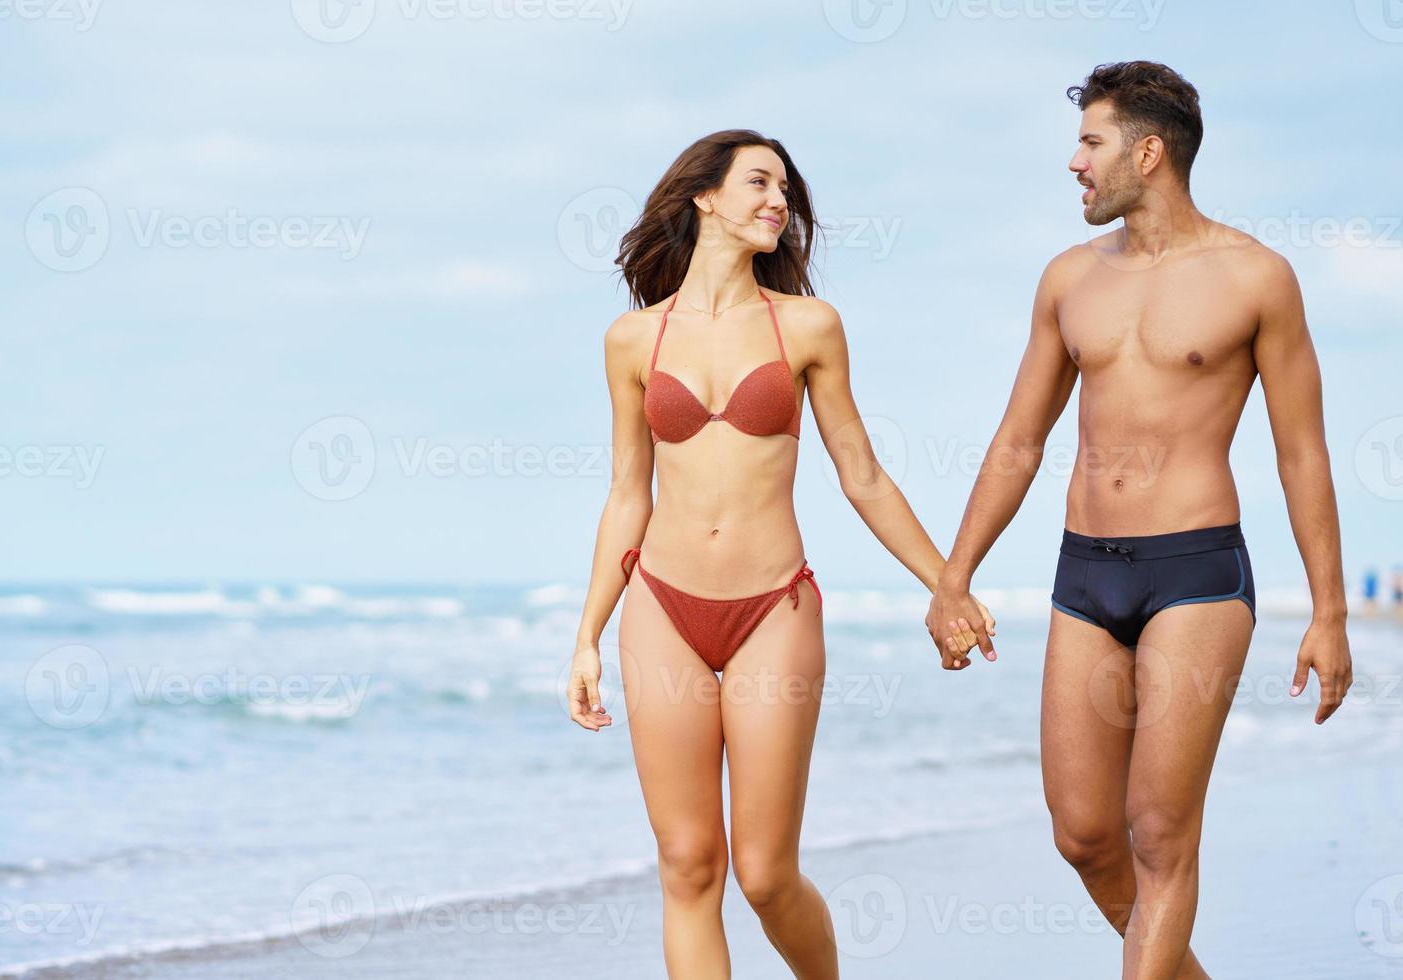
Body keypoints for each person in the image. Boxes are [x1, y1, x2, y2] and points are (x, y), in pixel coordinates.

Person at [924, 62, 1354, 979]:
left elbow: (1301, 453)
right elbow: (1018, 441)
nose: (1073, 162)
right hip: (1086, 574)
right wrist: (953, 577)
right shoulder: (1068, 280)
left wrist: (1329, 614)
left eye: (1091, 142)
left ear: (1148, 153)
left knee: (1161, 835)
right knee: (1083, 834)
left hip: (1197, 572)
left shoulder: (1256, 278)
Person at [567, 129, 993, 979]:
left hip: (773, 608)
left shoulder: (807, 326)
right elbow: (627, 496)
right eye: (759, 183)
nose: (778, 201)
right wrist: (586, 636)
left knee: (763, 874)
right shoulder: (632, 341)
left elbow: (862, 475)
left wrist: (949, 584)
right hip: (661, 608)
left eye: (785, 190)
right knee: (689, 864)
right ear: (704, 197)